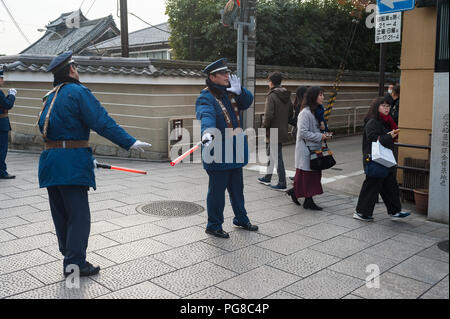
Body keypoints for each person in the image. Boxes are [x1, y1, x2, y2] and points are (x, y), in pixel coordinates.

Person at [37, 51, 152, 277]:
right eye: (76, 67)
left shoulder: (50, 97)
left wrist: (85, 155)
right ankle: (75, 264)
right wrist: (129, 142)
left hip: (51, 162)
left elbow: (50, 131)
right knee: (79, 215)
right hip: (71, 164)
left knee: (61, 214)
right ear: (71, 69)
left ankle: (69, 255)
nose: (77, 71)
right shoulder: (78, 92)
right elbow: (102, 122)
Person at [196, 58, 258, 239]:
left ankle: (241, 219)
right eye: (223, 73)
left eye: (227, 72)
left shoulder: (229, 93)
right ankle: (213, 225)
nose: (227, 76)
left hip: (235, 149)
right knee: (217, 192)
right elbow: (205, 114)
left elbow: (247, 102)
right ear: (212, 76)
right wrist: (207, 132)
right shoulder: (205, 96)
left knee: (237, 189)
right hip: (218, 152)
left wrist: (241, 92)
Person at [353, 96, 410, 221]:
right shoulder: (373, 121)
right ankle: (361, 212)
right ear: (376, 107)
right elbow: (373, 139)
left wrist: (391, 136)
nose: (386, 108)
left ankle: (395, 211)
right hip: (374, 159)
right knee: (372, 186)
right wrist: (389, 136)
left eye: (388, 106)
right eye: (383, 106)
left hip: (385, 159)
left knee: (390, 185)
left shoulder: (387, 121)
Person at [288, 86, 332, 210]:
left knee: (313, 175)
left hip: (315, 148)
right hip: (306, 149)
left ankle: (298, 194)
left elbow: (321, 129)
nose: (323, 97)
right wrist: (321, 135)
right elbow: (302, 132)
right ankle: (307, 199)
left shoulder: (318, 111)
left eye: (323, 95)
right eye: (320, 95)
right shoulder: (305, 113)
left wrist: (327, 133)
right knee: (306, 175)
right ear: (313, 97)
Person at [258, 72, 293, 191]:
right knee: (272, 154)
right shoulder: (286, 95)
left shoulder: (271, 96)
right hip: (282, 129)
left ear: (271, 82)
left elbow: (268, 115)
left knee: (277, 157)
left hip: (273, 130)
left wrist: (264, 126)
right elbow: (290, 113)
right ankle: (267, 177)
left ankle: (282, 182)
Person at [0, 67, 17, 179]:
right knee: (2, 149)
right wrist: (12, 95)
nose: (3, 80)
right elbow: (7, 105)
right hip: (1, 124)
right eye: (1, 78)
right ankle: (2, 172)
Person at [288, 86, 308, 182]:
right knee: (303, 158)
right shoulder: (309, 105)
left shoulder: (299, 105)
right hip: (306, 134)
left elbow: (296, 121)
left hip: (300, 133)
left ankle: (298, 177)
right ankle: (299, 176)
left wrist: (287, 119)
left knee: (300, 158)